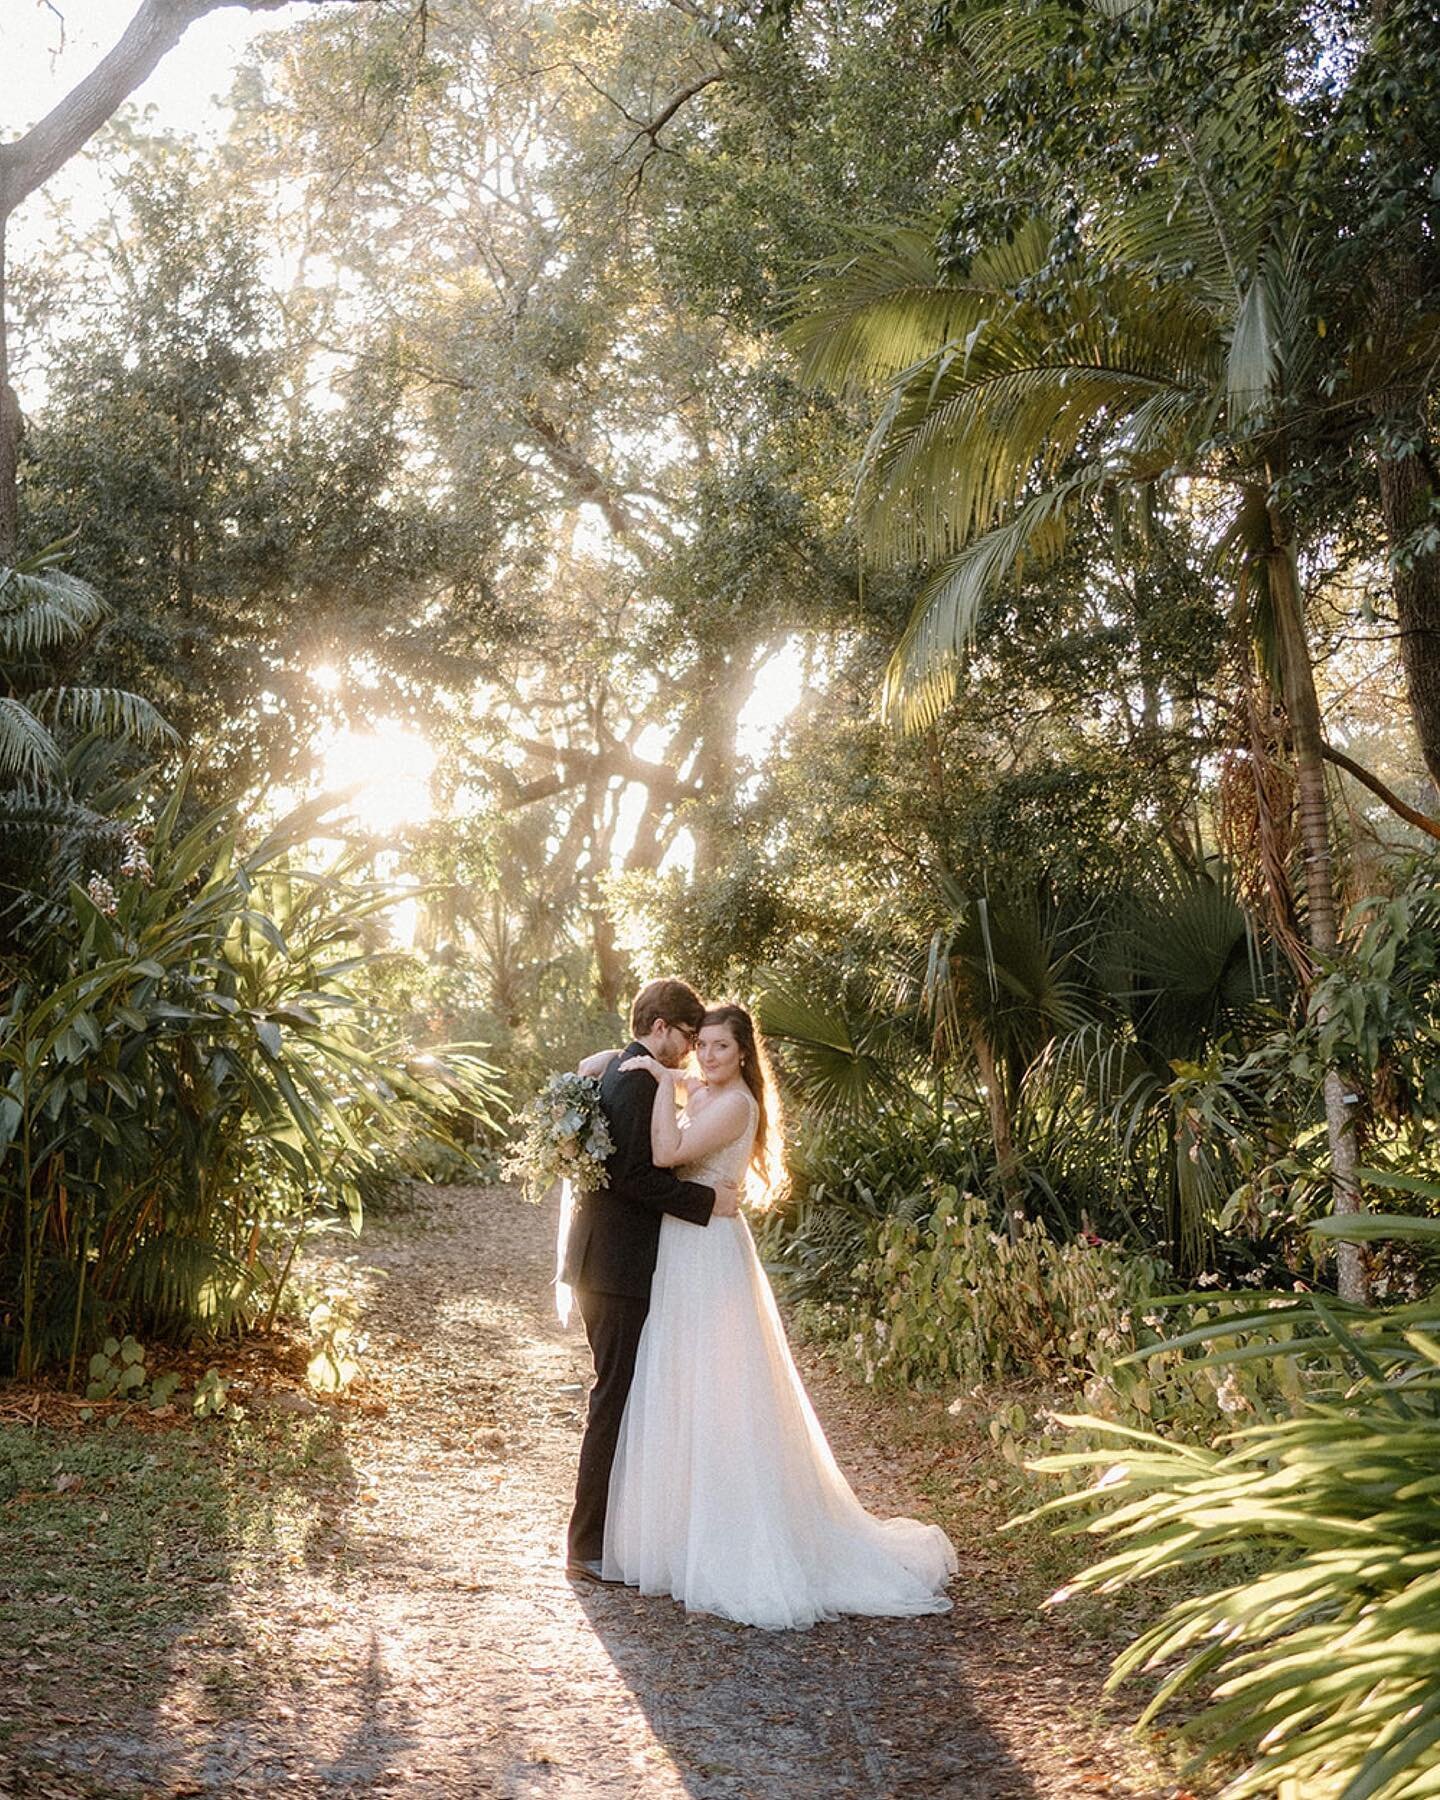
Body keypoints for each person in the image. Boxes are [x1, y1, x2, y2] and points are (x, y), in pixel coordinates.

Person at [595, 1003, 957, 1631]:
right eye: (701, 1045)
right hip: (681, 1248)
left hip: (708, 1255)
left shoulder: (735, 1104)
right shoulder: (702, 1087)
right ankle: (677, 1533)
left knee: (719, 1391)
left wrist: (657, 1082)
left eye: (718, 1048)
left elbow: (664, 1151)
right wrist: (627, 1062)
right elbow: (612, 1065)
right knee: (677, 1384)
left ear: (742, 1055)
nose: (705, 1057)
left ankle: (739, 1537)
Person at [562, 978, 740, 1582]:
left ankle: (613, 1536)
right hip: (617, 1267)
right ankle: (586, 1545)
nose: (691, 1052)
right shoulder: (637, 1079)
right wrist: (705, 1199)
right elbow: (634, 1176)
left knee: (620, 1397)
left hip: (598, 1261)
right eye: (688, 1038)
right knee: (612, 1400)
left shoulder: (616, 1064)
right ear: (660, 1027)